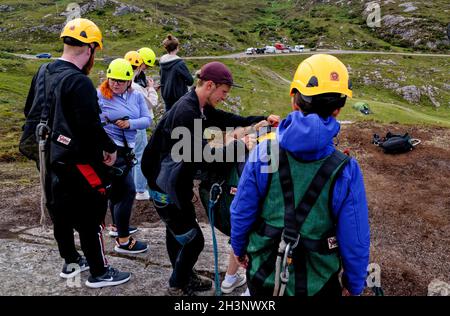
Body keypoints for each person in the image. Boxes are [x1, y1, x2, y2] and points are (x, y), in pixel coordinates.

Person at [230, 54, 370, 296]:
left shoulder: (264, 152)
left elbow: (241, 210)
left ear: (295, 100)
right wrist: (354, 285)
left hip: (263, 277)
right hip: (318, 285)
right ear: (337, 110)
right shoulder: (346, 169)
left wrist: (239, 248)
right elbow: (355, 239)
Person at [142, 61, 280, 296]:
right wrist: (239, 146)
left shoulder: (199, 105)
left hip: (172, 178)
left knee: (175, 231)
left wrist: (259, 119)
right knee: (195, 241)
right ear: (209, 85)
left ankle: (183, 275)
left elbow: (224, 118)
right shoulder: (187, 111)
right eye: (223, 92)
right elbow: (201, 157)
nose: (225, 97)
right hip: (163, 182)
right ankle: (176, 285)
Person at [23, 18, 131, 288]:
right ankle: (99, 271)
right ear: (91, 48)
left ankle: (71, 260)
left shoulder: (44, 71)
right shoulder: (79, 82)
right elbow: (90, 127)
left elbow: (30, 111)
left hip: (47, 156)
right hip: (75, 160)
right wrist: (111, 149)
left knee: (58, 209)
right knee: (91, 213)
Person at [97, 58, 151, 253]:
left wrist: (130, 124)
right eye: (113, 79)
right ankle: (123, 240)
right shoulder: (100, 96)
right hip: (111, 151)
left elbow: (148, 120)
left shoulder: (135, 96)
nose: (116, 83)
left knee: (118, 192)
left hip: (127, 150)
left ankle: (116, 228)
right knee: (127, 192)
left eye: (120, 80)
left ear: (129, 81)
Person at [124, 49, 158, 201]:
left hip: (123, 124)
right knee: (139, 156)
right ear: (138, 67)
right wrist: (150, 88)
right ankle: (140, 190)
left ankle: (128, 186)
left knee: (126, 156)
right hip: (137, 124)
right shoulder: (135, 86)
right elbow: (151, 103)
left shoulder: (118, 81)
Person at [159, 34, 194, 111]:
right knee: (178, 119)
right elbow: (190, 81)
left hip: (166, 95)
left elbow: (161, 75)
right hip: (178, 97)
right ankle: (197, 123)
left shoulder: (162, 62)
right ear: (177, 47)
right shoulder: (179, 63)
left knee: (168, 117)